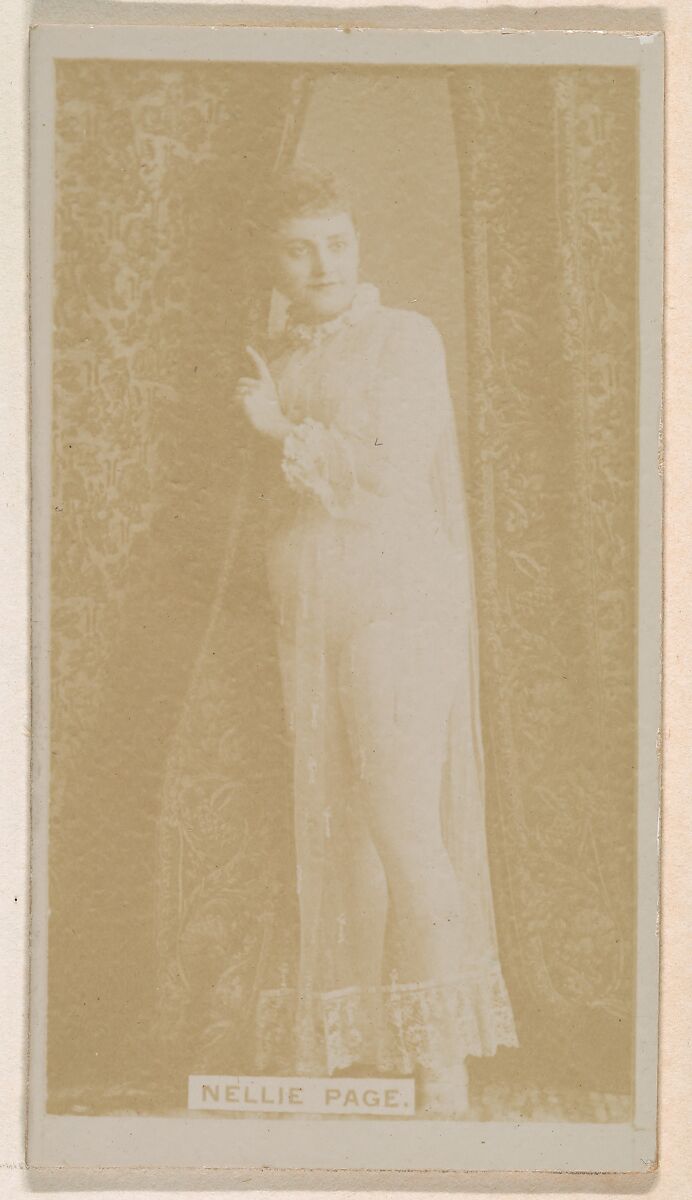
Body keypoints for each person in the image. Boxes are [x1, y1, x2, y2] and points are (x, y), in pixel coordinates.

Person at [234, 164, 517, 1116]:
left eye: (338, 243)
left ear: (358, 244)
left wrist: (279, 426)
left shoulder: (404, 337)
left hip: (396, 601)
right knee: (338, 829)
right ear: (271, 262)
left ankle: (443, 1070)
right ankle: (362, 1052)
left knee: (403, 825)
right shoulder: (279, 356)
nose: (324, 265)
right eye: (299, 249)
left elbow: (391, 473)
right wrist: (275, 416)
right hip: (310, 604)